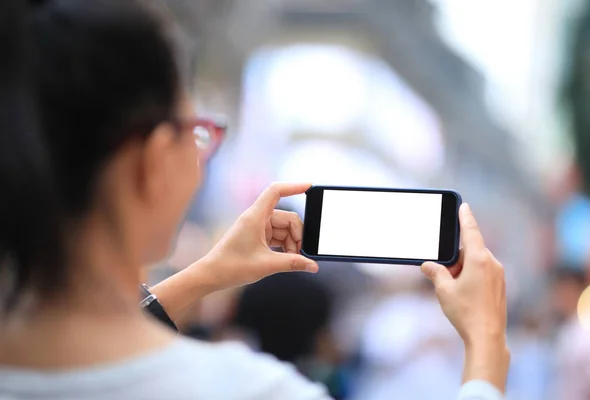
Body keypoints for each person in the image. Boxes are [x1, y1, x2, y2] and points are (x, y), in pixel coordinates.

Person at [0, 1, 509, 399]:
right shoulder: (248, 391)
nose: (203, 154)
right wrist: (485, 354)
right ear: (153, 161)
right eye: (198, 132)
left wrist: (205, 275)